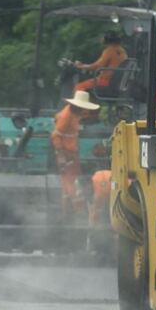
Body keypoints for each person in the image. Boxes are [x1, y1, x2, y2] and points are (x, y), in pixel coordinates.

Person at [51, 90, 100, 221]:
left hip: (70, 153)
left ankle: (67, 213)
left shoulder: (74, 113)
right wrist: (61, 155)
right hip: (66, 154)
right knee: (72, 183)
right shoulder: (66, 116)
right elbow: (55, 136)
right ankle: (78, 211)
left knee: (68, 184)